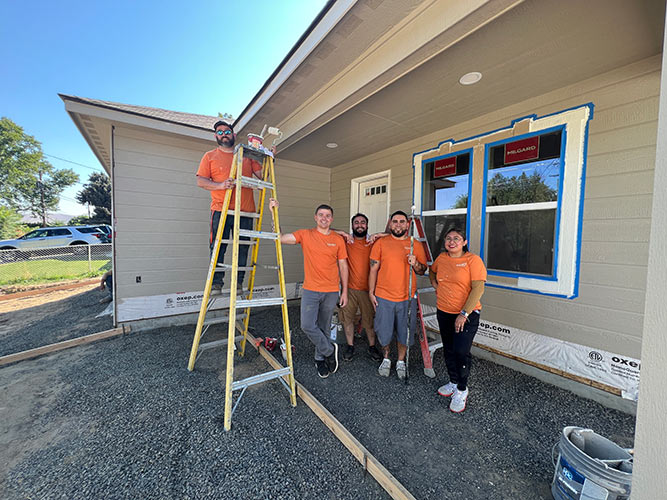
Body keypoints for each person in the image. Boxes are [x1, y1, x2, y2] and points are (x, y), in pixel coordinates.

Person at [269, 198, 349, 379]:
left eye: (328, 216)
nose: (324, 218)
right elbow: (280, 238)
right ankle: (329, 350)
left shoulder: (337, 240)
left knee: (324, 327)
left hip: (331, 291)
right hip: (311, 290)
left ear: (331, 219)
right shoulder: (305, 234)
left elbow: (343, 266)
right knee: (307, 325)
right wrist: (274, 213)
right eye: (321, 215)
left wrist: (344, 291)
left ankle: (320, 359)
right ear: (315, 217)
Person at [196, 120, 262, 295]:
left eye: (227, 131)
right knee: (218, 247)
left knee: (243, 247)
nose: (223, 134)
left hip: (246, 210)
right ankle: (217, 284)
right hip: (221, 210)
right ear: (216, 136)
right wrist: (220, 186)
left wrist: (270, 158)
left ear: (233, 135)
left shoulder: (246, 156)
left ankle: (238, 284)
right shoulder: (209, 156)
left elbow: (264, 176)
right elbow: (201, 181)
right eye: (219, 132)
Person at [429, 226, 487, 413]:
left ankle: (462, 389)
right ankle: (453, 381)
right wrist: (435, 284)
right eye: (448, 238)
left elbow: (478, 289)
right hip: (444, 312)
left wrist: (464, 313)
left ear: (464, 242)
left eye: (456, 238)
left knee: (461, 352)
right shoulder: (442, 258)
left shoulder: (472, 260)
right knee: (449, 349)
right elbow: (432, 271)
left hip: (467, 315)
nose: (451, 242)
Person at [368, 211, 427, 379]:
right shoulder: (381, 243)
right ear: (390, 223)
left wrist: (415, 263)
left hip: (406, 297)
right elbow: (373, 270)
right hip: (384, 297)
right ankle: (386, 358)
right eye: (395, 221)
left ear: (407, 224)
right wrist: (371, 293)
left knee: (405, 332)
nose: (399, 224)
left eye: (402, 222)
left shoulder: (415, 244)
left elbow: (423, 271)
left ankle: (401, 361)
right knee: (384, 332)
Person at [337, 213, 383, 362]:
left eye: (363, 222)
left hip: (368, 290)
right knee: (347, 320)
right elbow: (326, 230)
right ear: (352, 226)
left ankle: (371, 346)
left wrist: (379, 234)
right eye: (356, 222)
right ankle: (350, 346)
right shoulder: (346, 241)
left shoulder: (373, 242)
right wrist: (343, 233)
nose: (360, 225)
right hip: (348, 289)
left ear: (367, 225)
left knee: (369, 321)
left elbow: (394, 236)